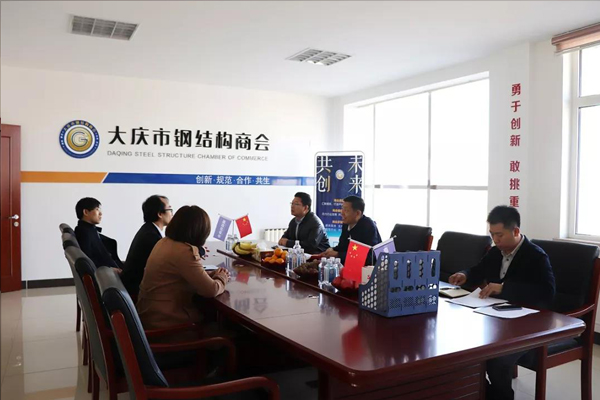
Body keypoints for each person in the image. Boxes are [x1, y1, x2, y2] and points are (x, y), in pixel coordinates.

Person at [448, 205, 556, 400]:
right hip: (496, 320)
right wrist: (465, 274)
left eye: (499, 235)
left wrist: (505, 287)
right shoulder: (496, 252)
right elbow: (478, 270)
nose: (495, 240)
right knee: (462, 351)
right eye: (492, 235)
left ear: (515, 231)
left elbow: (547, 293)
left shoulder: (535, 256)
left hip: (527, 328)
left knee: (497, 361)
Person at [137, 205, 230, 331]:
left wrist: (209, 274)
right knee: (228, 330)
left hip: (150, 318)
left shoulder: (164, 242)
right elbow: (211, 290)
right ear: (200, 231)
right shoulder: (184, 252)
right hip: (167, 327)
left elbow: (180, 276)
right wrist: (221, 277)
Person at [121, 195, 173, 296]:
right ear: (160, 214)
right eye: (170, 209)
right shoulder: (151, 237)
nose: (172, 214)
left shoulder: (148, 230)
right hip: (138, 293)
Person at [320, 195, 382, 265]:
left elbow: (368, 257)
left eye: (346, 210)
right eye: (342, 209)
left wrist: (338, 254)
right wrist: (332, 249)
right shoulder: (346, 224)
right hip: (350, 265)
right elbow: (342, 246)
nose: (342, 213)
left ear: (357, 213)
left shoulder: (368, 226)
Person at [74, 197, 123, 271]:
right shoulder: (84, 233)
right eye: (97, 209)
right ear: (86, 212)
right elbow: (88, 260)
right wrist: (110, 269)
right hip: (108, 273)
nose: (100, 213)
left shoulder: (88, 230)